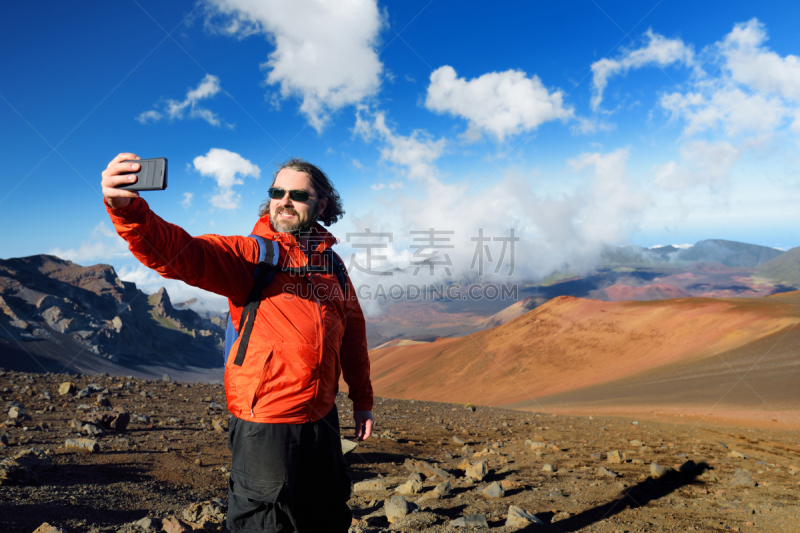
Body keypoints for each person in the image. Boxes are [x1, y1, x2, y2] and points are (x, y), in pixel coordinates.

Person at [101, 153, 374, 532]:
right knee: (262, 523)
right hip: (266, 419)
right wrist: (128, 212)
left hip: (323, 416)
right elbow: (182, 253)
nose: (285, 200)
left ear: (321, 205)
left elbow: (352, 333)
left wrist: (362, 400)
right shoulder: (252, 256)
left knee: (326, 514)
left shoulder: (332, 265)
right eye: (278, 191)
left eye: (298, 194)